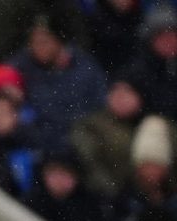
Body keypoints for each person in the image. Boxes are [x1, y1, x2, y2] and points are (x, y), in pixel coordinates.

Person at [10, 14, 107, 152]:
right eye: (34, 43)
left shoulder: (84, 67)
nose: (38, 48)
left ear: (58, 41)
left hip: (80, 135)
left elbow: (98, 104)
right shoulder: (25, 65)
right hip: (43, 140)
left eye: (44, 42)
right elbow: (1, 75)